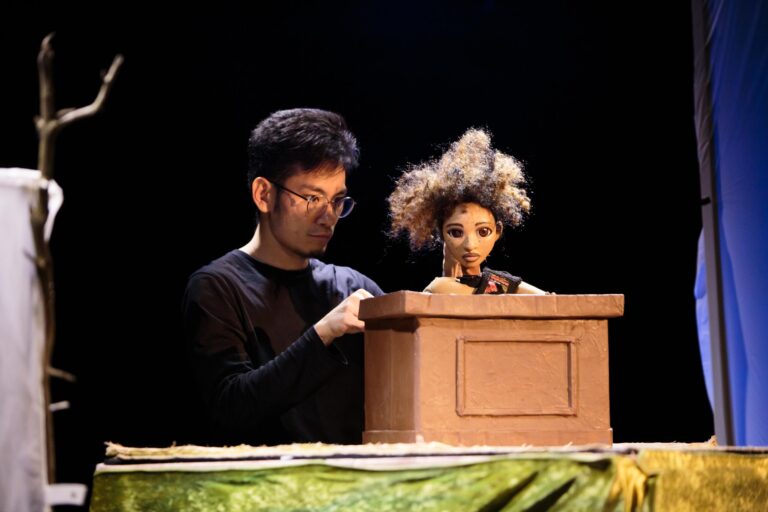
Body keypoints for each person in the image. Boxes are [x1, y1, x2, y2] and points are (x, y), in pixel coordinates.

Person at [182, 108, 384, 446]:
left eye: (337, 201)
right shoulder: (216, 288)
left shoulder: (354, 288)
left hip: (356, 487)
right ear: (264, 194)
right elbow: (231, 408)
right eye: (311, 198)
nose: (328, 217)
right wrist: (323, 332)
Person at [388, 128, 546, 295]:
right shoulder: (438, 288)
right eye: (456, 232)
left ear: (497, 231)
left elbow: (550, 301)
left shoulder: (497, 284)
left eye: (483, 231)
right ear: (441, 233)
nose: (470, 245)